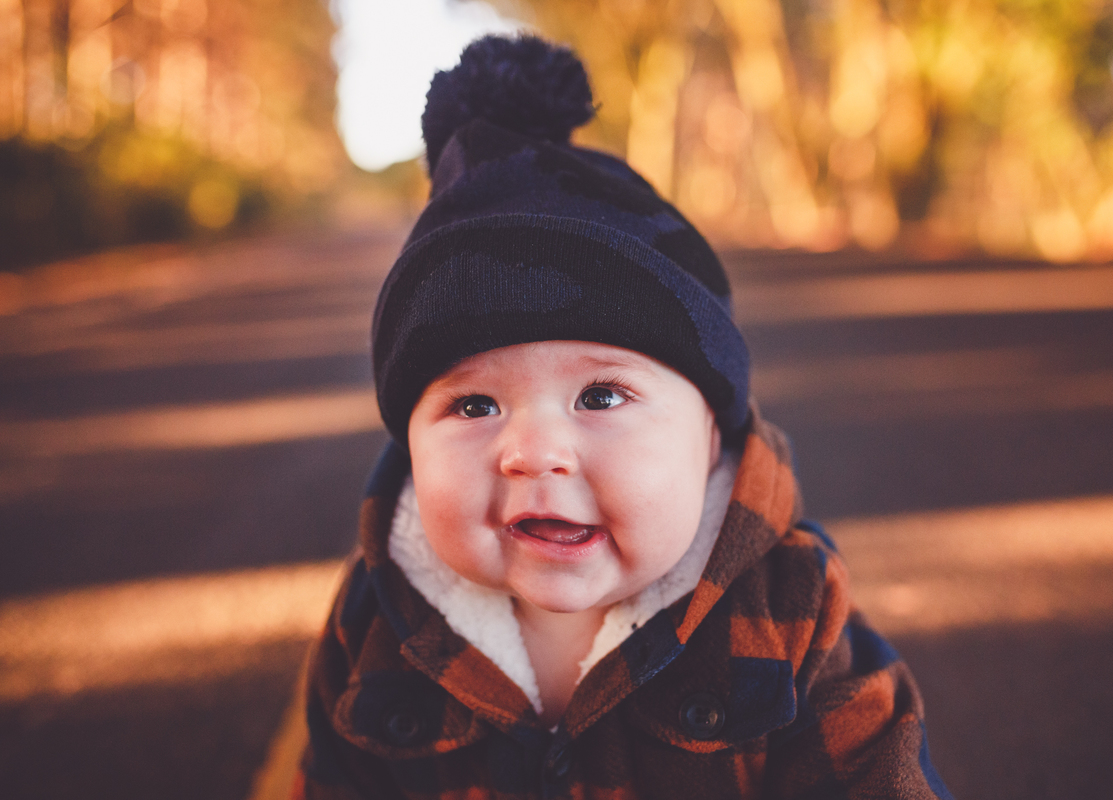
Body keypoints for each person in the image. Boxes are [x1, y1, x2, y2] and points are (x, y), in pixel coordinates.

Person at [294, 33, 952, 800]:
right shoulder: (374, 624)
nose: (533, 452)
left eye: (600, 397)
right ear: (407, 440)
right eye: (474, 404)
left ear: (711, 433)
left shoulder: (790, 612)